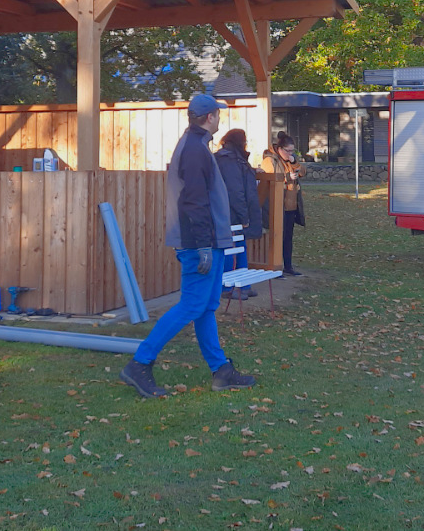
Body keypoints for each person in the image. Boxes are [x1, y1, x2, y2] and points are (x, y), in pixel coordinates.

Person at [120, 94, 257, 398]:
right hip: (199, 243)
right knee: (191, 306)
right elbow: (194, 201)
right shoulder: (195, 150)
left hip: (207, 241)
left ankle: (221, 371)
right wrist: (204, 246)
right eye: (217, 115)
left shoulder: (196, 146)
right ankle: (140, 363)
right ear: (209, 118)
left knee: (206, 307)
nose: (220, 119)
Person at [214, 128, 264, 299]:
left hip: (231, 212)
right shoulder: (229, 160)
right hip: (231, 213)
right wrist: (244, 216)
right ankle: (227, 287)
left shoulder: (232, 158)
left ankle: (243, 285)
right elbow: (235, 191)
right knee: (230, 249)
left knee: (240, 247)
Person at [262, 131, 306, 275]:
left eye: (293, 151)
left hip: (290, 205)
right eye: (288, 151)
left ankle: (288, 266)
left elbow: (303, 172)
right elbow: (270, 179)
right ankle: (274, 266)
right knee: (276, 237)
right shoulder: (270, 160)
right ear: (279, 149)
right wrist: (287, 177)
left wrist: (294, 162)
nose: (290, 154)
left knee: (288, 237)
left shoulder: (290, 160)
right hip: (277, 205)